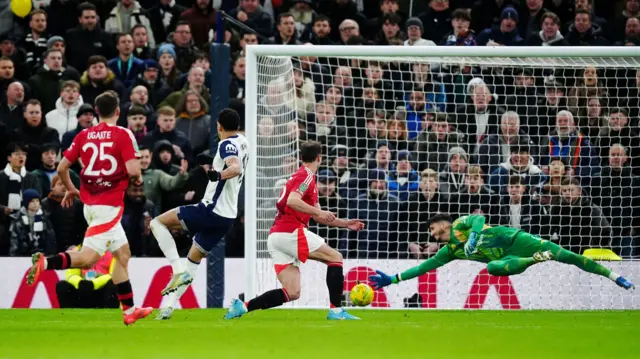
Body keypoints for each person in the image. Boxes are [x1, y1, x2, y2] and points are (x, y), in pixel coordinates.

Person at [26, 91, 153, 325]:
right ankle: (45, 262)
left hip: (90, 203)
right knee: (87, 259)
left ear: (96, 112)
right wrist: (135, 180)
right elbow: (135, 172)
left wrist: (72, 190)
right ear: (118, 112)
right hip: (108, 205)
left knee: (122, 255)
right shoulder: (123, 134)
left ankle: (129, 310)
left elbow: (63, 167)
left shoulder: (84, 135)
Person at [224, 140, 365, 321]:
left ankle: (243, 307)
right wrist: (318, 211)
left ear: (301, 157)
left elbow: (318, 217)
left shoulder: (305, 179)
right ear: (320, 158)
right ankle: (337, 312)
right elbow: (292, 200)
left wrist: (346, 224)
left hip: (277, 236)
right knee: (335, 258)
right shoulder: (305, 176)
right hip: (291, 231)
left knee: (292, 292)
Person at [369, 214, 635, 292]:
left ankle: (614, 277)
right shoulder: (450, 251)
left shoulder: (461, 225)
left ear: (443, 223)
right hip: (511, 259)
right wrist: (393, 280)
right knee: (492, 269)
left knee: (571, 258)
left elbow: (477, 217)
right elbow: (422, 268)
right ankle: (534, 261)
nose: (431, 232)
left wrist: (473, 236)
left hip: (518, 240)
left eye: (432, 227)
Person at [151, 109, 248, 320]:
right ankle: (168, 307)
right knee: (193, 260)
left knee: (157, 223)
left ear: (219, 126)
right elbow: (233, 159)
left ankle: (176, 268)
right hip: (227, 217)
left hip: (210, 210)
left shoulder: (226, 144)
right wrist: (212, 162)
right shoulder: (243, 140)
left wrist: (218, 173)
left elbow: (236, 167)